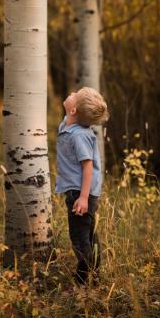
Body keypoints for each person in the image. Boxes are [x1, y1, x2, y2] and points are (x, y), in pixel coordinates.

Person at [55, 86, 109, 286]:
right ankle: (93, 273)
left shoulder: (79, 136)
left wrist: (84, 197)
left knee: (79, 238)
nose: (71, 93)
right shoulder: (68, 124)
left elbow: (87, 167)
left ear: (73, 110)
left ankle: (83, 280)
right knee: (87, 234)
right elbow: (69, 120)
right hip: (79, 191)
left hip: (81, 193)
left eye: (74, 95)